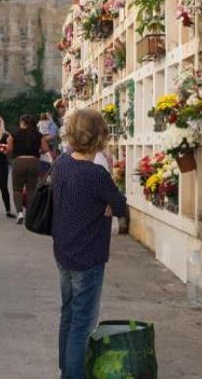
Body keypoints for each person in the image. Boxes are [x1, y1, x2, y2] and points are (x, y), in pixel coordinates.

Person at [52, 109, 127, 379]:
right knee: (82, 323)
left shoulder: (61, 163)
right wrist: (106, 204)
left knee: (69, 313)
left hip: (63, 250)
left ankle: (65, 368)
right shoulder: (96, 175)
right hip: (89, 255)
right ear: (100, 137)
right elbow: (120, 206)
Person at [7, 114, 46, 224]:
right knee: (31, 189)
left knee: (17, 190)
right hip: (34, 162)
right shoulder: (38, 135)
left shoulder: (13, 134)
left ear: (22, 122)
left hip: (19, 162)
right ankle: (30, 213)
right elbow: (45, 148)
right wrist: (38, 151)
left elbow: (9, 149)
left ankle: (19, 213)